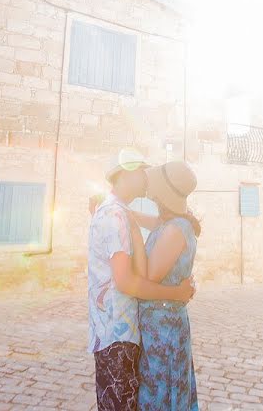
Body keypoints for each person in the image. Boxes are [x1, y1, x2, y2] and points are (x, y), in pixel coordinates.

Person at [88, 151, 195, 411]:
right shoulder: (124, 216)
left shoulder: (170, 226)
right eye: (141, 171)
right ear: (125, 173)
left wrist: (130, 222)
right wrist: (176, 293)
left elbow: (144, 274)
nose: (147, 177)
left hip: (144, 330)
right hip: (123, 332)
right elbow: (126, 281)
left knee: (155, 397)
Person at [128, 161, 201, 411]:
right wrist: (128, 215)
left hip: (164, 330)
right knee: (162, 388)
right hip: (161, 326)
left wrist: (133, 233)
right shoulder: (168, 222)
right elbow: (151, 222)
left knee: (161, 392)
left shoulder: (175, 230)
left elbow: (149, 274)